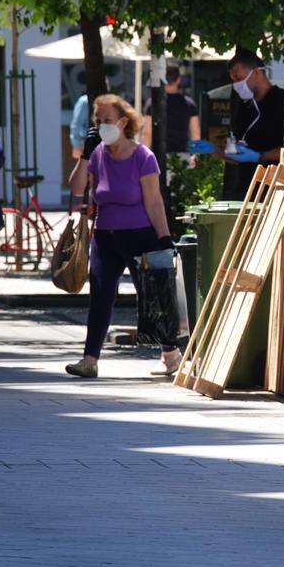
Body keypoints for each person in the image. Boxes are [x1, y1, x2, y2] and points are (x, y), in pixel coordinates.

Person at [64, 94, 178, 379]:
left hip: (140, 234)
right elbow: (77, 189)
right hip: (105, 235)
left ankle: (171, 356)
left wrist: (163, 238)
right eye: (98, 120)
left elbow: (153, 201)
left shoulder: (143, 156)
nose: (102, 125)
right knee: (100, 296)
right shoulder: (98, 154)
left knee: (150, 294)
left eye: (108, 120)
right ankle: (89, 360)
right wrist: (86, 154)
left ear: (124, 122)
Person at [187, 51, 284, 200]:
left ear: (257, 73)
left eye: (238, 78)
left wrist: (261, 156)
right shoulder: (244, 107)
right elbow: (234, 154)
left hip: (274, 190)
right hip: (245, 191)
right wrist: (213, 150)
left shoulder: (281, 101)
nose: (236, 84)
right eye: (233, 79)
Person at [142, 65, 200, 153]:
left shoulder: (153, 103)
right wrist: (196, 155)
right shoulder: (189, 104)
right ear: (178, 80)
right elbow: (195, 134)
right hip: (182, 153)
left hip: (159, 154)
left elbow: (147, 134)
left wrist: (142, 157)